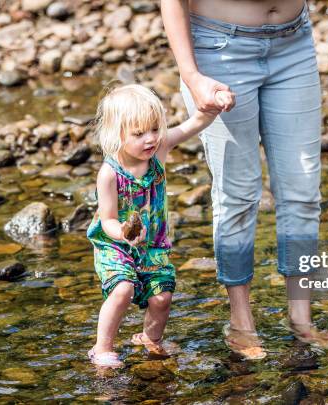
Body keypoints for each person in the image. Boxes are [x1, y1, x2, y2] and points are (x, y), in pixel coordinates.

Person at [161, 0, 328, 360]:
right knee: (238, 194)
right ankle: (241, 320)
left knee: (303, 190)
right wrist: (191, 75)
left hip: (294, 43)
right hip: (219, 49)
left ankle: (300, 316)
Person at [86, 84, 234, 368]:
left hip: (153, 243)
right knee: (122, 290)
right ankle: (101, 348)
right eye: (139, 134)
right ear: (118, 135)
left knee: (162, 297)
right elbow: (107, 221)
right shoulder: (109, 174)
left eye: (154, 129)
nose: (150, 139)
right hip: (116, 243)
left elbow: (196, 123)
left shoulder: (160, 150)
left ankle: (149, 339)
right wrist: (125, 234)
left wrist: (216, 102)